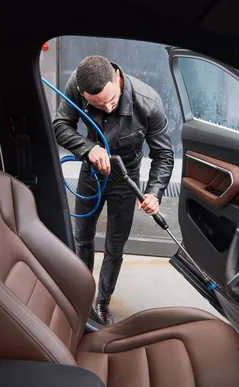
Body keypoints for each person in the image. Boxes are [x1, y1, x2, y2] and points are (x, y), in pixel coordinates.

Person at [53, 55, 174, 325]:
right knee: (82, 239)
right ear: (83, 93)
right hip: (91, 174)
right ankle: (80, 298)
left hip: (126, 178)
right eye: (97, 105)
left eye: (112, 100)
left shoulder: (148, 102)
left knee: (114, 247)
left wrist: (154, 192)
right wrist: (88, 148)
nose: (107, 109)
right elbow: (60, 125)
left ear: (117, 79)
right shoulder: (76, 84)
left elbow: (164, 154)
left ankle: (103, 302)